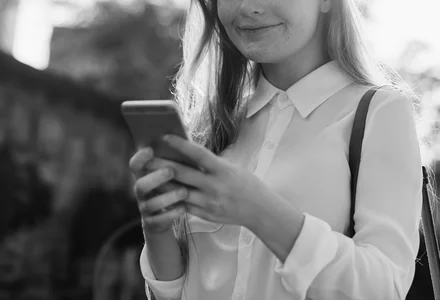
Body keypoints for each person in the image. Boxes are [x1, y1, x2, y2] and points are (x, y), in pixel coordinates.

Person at [128, 0, 424, 299]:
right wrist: (158, 230)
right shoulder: (215, 124)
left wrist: (259, 209)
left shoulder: (380, 111)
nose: (248, 7)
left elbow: (385, 288)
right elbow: (181, 292)